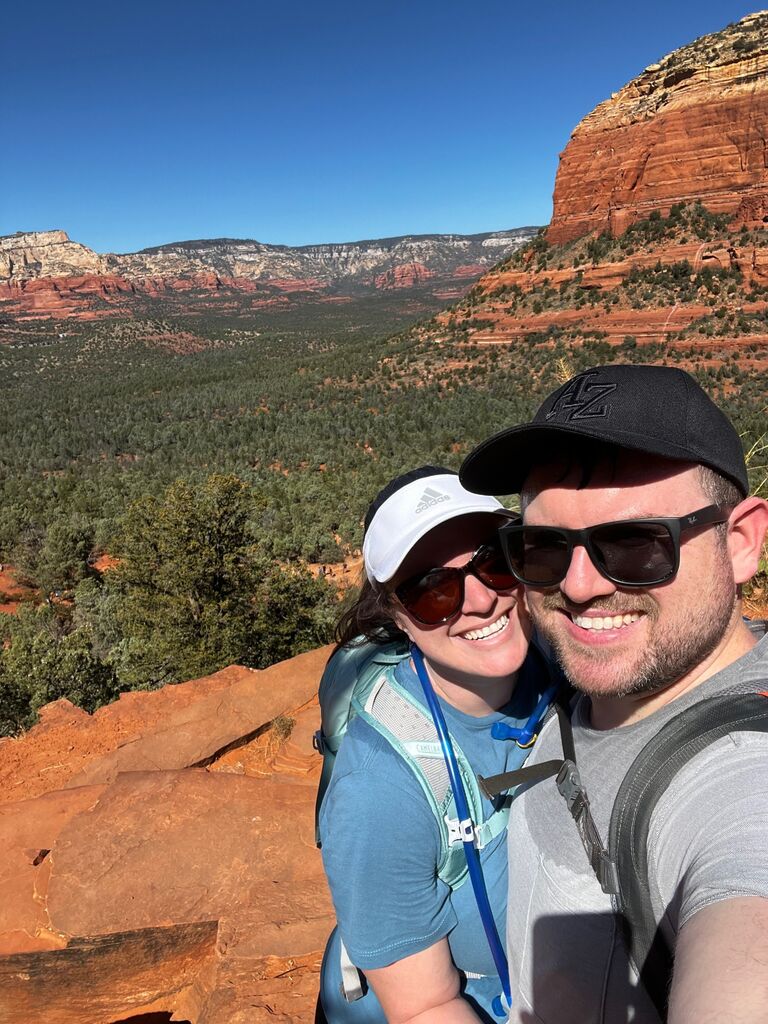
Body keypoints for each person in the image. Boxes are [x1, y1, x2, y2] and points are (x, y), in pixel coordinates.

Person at [459, 363, 768, 1024]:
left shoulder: (744, 779)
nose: (577, 587)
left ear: (739, 543)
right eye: (541, 547)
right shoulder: (609, 658)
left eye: (632, 544)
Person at [318, 466, 557, 1024]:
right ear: (398, 617)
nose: (479, 600)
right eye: (433, 590)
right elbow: (425, 1006)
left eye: (494, 561)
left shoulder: (566, 653)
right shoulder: (378, 793)